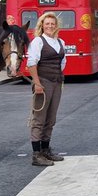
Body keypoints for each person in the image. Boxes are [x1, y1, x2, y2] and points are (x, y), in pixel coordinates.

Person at [26, 12, 67, 166]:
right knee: (39, 119)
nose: (50, 26)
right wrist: (37, 83)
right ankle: (36, 155)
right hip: (43, 82)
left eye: (52, 23)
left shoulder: (60, 42)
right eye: (47, 23)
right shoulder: (38, 41)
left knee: (51, 118)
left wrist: (59, 76)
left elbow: (63, 62)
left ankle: (45, 150)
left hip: (56, 82)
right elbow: (31, 63)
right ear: (42, 25)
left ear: (56, 26)